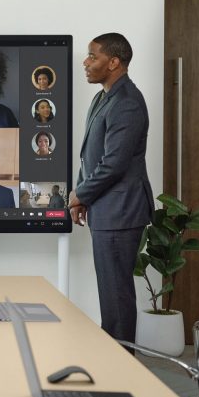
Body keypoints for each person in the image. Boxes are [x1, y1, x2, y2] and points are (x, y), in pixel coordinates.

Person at [68, 33, 153, 344]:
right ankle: (115, 364)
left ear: (114, 62)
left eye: (93, 56)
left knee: (116, 298)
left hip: (120, 212)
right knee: (111, 294)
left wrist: (80, 195)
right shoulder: (104, 96)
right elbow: (90, 153)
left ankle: (121, 371)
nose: (85, 62)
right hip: (105, 209)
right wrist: (81, 196)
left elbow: (113, 164)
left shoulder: (128, 102)